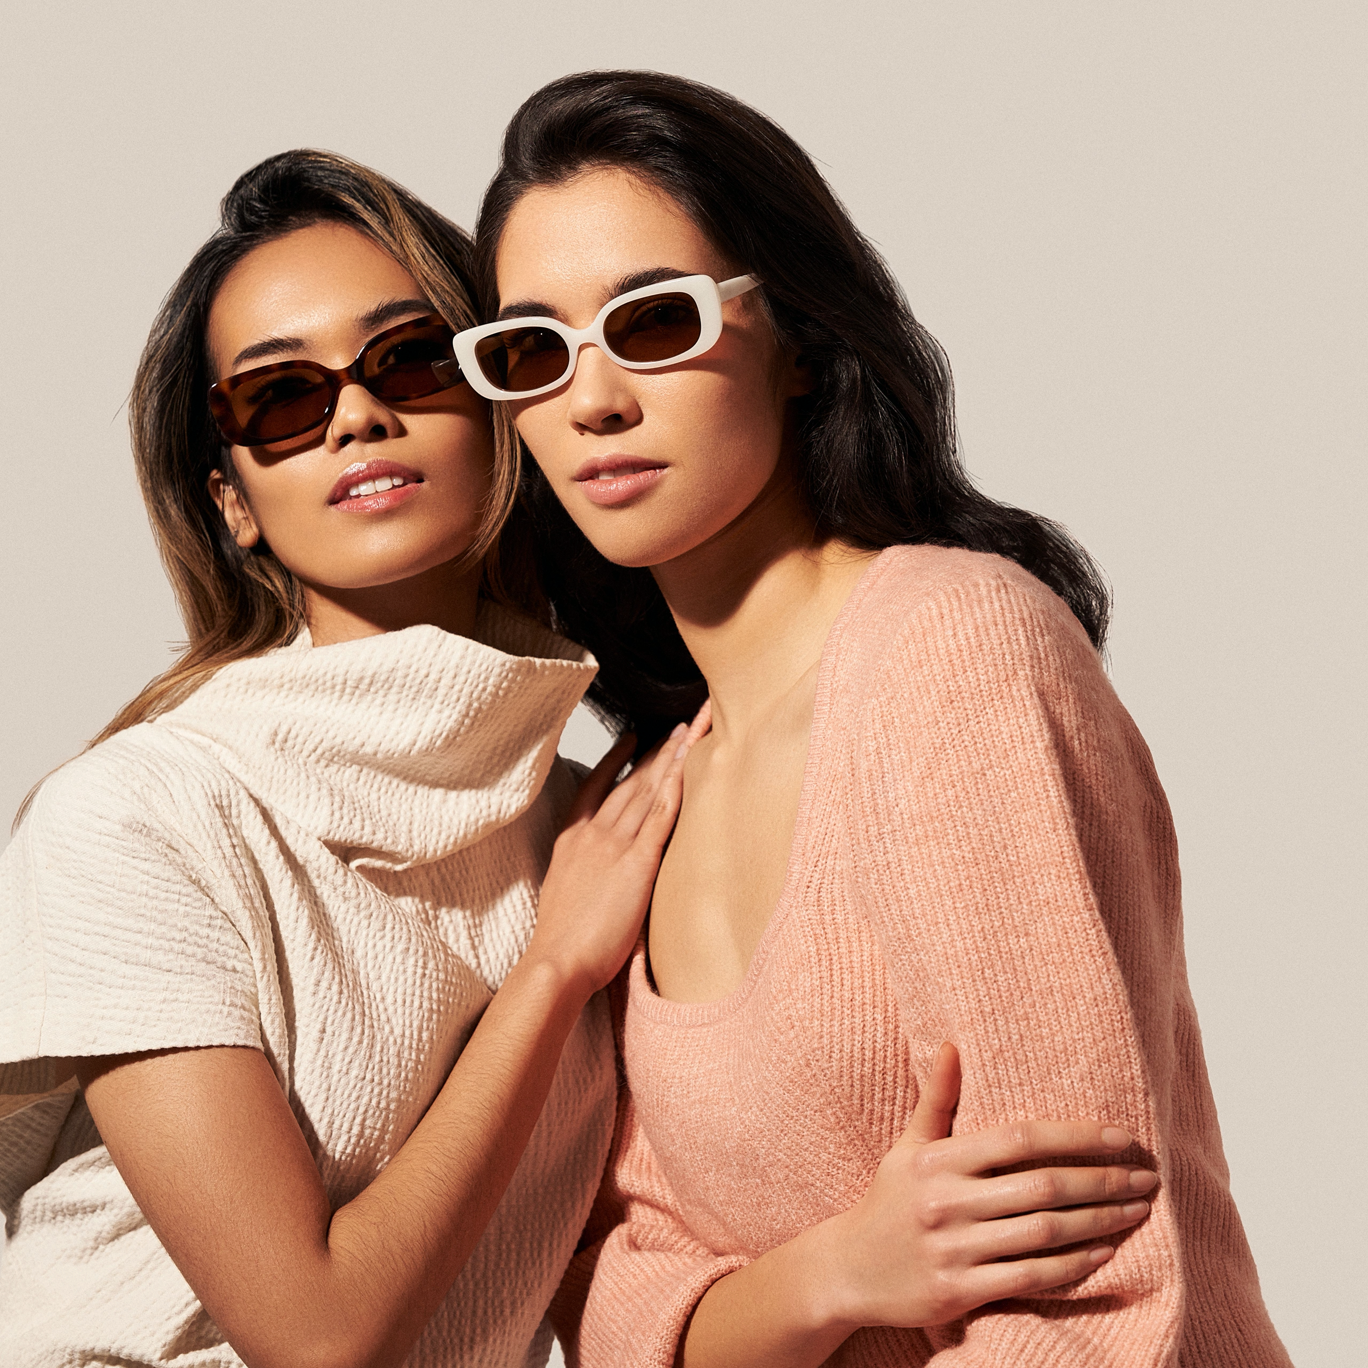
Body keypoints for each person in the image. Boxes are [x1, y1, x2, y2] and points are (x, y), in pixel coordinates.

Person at [463, 71, 1293, 1366]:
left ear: (794, 338)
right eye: (531, 352)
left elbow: (1088, 1287)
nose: (593, 400)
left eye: (654, 321)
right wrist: (832, 1276)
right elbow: (604, 1303)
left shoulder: (952, 652)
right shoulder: (638, 793)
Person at [0, 149, 692, 1368]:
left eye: (411, 361)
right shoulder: (137, 815)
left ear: (503, 402)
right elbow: (317, 1340)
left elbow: (612, 1285)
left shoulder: (598, 829)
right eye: (280, 399)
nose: (356, 416)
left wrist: (848, 1264)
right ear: (236, 505)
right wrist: (549, 978)